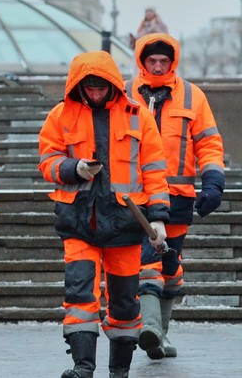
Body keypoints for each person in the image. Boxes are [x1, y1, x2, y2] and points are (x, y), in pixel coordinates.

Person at [38, 51, 171, 378]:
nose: (95, 94)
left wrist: (158, 217)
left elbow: (154, 170)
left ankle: (119, 371)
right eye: (89, 89)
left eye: (100, 88)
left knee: (125, 303)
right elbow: (47, 161)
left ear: (112, 85)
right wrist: (73, 168)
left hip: (125, 225)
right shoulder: (61, 115)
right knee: (79, 294)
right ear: (79, 87)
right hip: (78, 222)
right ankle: (83, 367)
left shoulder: (138, 115)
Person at [125, 34, 225, 360]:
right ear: (142, 61)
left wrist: (213, 183)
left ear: (172, 62)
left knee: (170, 264)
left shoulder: (192, 96)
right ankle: (150, 327)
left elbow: (208, 144)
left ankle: (160, 335)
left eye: (163, 61)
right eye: (151, 61)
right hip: (135, 196)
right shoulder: (124, 93)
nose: (157, 66)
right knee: (147, 262)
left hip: (177, 196)